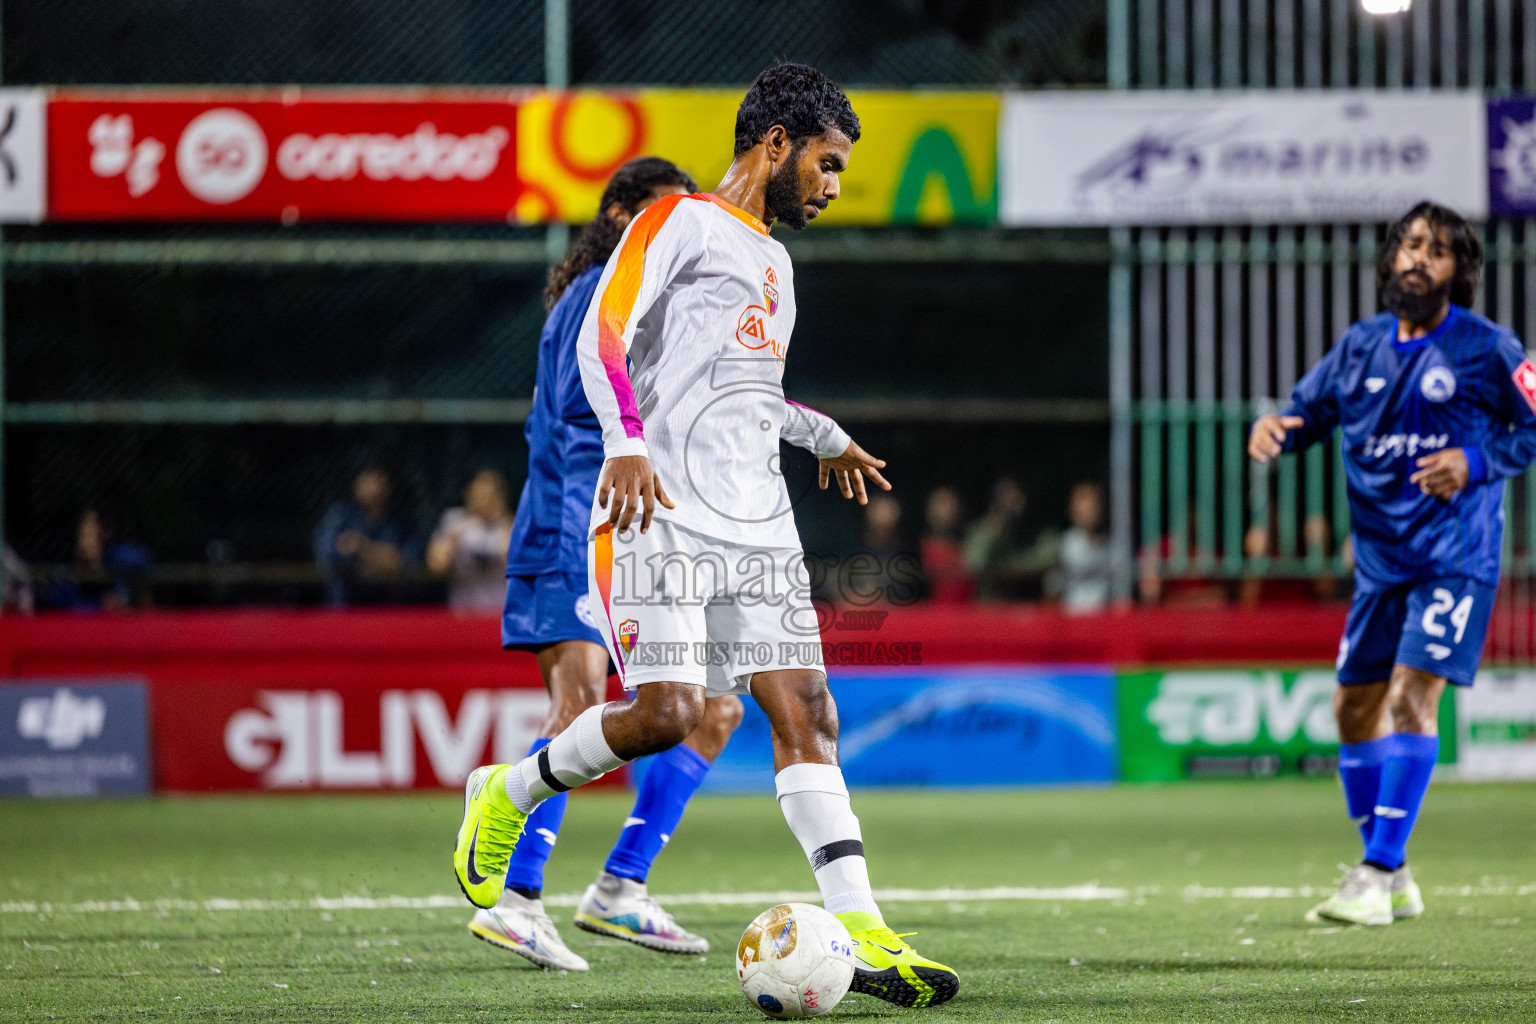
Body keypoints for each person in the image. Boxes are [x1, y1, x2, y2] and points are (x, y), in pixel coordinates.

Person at [452, 63, 958, 1008]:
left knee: (808, 709)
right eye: (827, 164)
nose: (833, 186)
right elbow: (602, 336)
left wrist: (822, 435)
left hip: (758, 522)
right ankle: (508, 792)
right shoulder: (675, 221)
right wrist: (625, 443)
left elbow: (746, 397)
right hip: (658, 514)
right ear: (777, 143)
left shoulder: (778, 266)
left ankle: (864, 931)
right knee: (667, 716)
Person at [471, 157, 746, 973]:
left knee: (715, 709)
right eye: (661, 213)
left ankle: (620, 887)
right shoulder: (599, 291)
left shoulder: (645, 297)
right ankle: (514, 901)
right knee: (580, 701)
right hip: (575, 529)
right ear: (621, 213)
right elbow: (575, 414)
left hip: (640, 534)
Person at [1249, 201, 1536, 926]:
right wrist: (1277, 428)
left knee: (1411, 698)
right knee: (1353, 710)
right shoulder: (1360, 346)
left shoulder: (1490, 348)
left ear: (1457, 271)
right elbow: (1308, 414)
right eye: (1410, 245)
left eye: (1436, 250)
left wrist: (1475, 462)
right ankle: (1395, 871)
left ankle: (1375, 876)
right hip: (1381, 562)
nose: (1418, 259)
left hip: (1455, 554)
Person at [313, 466, 423, 606]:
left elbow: (404, 564)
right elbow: (329, 558)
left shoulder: (402, 522)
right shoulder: (339, 516)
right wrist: (381, 558)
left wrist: (362, 548)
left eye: (378, 478)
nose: (374, 486)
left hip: (390, 607)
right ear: (356, 486)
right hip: (344, 606)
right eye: (367, 478)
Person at [427, 469, 514, 612]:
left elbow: (514, 569)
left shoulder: (509, 527)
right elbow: (436, 566)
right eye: (480, 494)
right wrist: (455, 538)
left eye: (490, 496)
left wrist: (503, 523)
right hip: (462, 611)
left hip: (498, 611)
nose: (485, 501)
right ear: (469, 494)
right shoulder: (454, 521)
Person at [1048, 481, 1114, 614]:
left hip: (1105, 618)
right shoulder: (1067, 543)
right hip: (1074, 617)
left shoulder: (1115, 544)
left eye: (1094, 502)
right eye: (1082, 501)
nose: (1089, 507)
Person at [918, 486, 973, 604]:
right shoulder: (917, 549)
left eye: (950, 505)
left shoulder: (967, 548)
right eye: (941, 504)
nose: (945, 512)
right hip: (927, 613)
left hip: (962, 612)